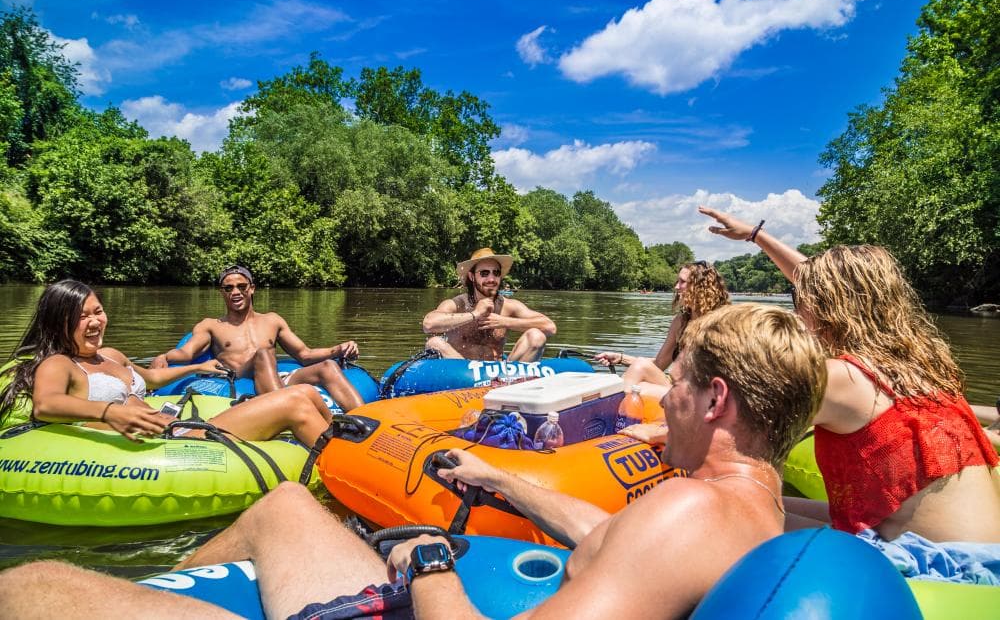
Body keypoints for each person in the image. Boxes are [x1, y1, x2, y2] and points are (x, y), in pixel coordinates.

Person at [0, 303, 828, 619]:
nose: (665, 397)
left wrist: (426, 559)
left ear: (717, 400)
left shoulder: (688, 513)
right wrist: (504, 481)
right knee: (288, 507)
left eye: (676, 383)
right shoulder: (753, 508)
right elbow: (621, 543)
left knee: (30, 584)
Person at [699, 207, 1000, 582]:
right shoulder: (919, 365)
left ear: (825, 307)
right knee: (771, 503)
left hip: (938, 569)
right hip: (984, 563)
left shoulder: (843, 378)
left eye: (801, 298)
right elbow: (832, 283)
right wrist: (756, 235)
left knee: (724, 508)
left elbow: (728, 427)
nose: (800, 307)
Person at [0, 279, 333, 448]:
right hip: (170, 443)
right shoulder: (60, 363)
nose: (94, 322)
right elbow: (47, 404)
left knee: (306, 394)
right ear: (59, 321)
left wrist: (194, 368)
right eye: (81, 315)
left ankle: (348, 455)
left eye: (97, 311)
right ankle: (351, 475)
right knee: (294, 401)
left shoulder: (112, 355)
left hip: (180, 428)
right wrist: (110, 412)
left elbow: (153, 378)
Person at [151, 265, 363, 411]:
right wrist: (165, 356)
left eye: (241, 286)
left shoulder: (272, 320)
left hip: (274, 378)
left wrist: (337, 349)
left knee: (327, 366)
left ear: (251, 288)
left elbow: (304, 354)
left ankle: (367, 419)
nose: (235, 292)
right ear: (222, 292)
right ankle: (286, 412)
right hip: (239, 378)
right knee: (262, 354)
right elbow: (186, 353)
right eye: (228, 288)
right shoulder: (211, 325)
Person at [595, 261, 729, 398]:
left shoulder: (719, 324)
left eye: (682, 282)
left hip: (701, 395)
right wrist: (621, 358)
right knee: (637, 387)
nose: (676, 287)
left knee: (637, 386)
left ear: (701, 287)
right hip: (676, 385)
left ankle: (612, 414)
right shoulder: (681, 322)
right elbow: (659, 364)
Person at [422, 248, 556, 362]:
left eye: (496, 273)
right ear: (472, 276)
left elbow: (550, 327)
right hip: (462, 372)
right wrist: (475, 314)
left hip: (500, 374)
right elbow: (428, 324)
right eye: (484, 273)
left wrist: (504, 321)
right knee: (434, 343)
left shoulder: (509, 306)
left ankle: (512, 383)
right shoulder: (457, 304)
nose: (491, 279)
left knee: (536, 336)